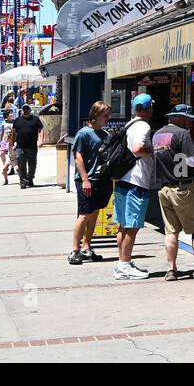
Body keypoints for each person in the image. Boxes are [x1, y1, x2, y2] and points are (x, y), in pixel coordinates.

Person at [153, 104, 194, 282]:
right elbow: (191, 161)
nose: (190, 123)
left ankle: (171, 270)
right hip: (184, 188)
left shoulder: (157, 135)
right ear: (179, 118)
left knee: (171, 231)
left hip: (164, 188)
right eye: (188, 119)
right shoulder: (183, 134)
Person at [113, 94, 156, 281]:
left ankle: (123, 263)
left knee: (123, 225)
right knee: (132, 227)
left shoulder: (129, 124)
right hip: (136, 181)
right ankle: (124, 265)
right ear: (148, 108)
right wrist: (153, 151)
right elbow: (138, 149)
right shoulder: (143, 126)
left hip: (123, 179)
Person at [69, 102, 114, 265]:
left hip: (101, 180)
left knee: (94, 214)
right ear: (94, 116)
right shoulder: (84, 133)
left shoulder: (104, 134)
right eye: (105, 116)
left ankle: (86, 246)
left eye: (109, 116)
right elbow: (78, 157)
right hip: (87, 180)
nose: (108, 119)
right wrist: (85, 179)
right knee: (84, 215)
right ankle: (75, 250)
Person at [12, 103, 43, 188]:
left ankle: (30, 178)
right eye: (24, 110)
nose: (25, 111)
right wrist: (13, 143)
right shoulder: (17, 120)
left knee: (32, 164)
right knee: (21, 163)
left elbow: (41, 130)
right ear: (22, 111)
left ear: (30, 110)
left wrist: (40, 140)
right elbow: (14, 132)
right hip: (20, 146)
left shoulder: (35, 119)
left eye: (27, 109)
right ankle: (23, 180)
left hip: (32, 146)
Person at [0, 107, 16, 185]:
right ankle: (5, 165)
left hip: (12, 140)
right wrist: (0, 141)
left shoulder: (15, 122)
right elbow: (2, 132)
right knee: (2, 153)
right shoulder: (3, 123)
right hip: (5, 141)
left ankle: (11, 167)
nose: (12, 114)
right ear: (7, 115)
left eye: (12, 113)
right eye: (10, 113)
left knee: (12, 154)